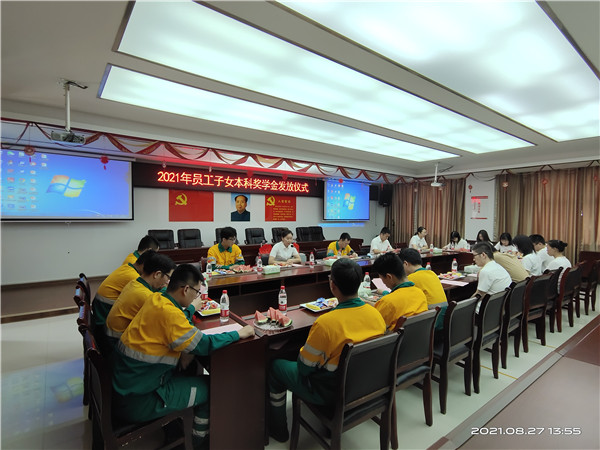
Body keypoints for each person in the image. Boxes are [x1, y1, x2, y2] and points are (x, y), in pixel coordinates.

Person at [111, 264, 255, 449]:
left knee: (190, 368)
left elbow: (176, 322)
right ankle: (199, 442)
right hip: (140, 400)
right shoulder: (170, 315)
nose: (197, 297)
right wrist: (238, 334)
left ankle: (179, 426)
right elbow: (204, 344)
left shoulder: (157, 298)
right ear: (186, 289)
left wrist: (190, 311)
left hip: (129, 385)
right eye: (196, 292)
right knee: (211, 387)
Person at [267, 259, 386, 443]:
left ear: (332, 285)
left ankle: (279, 430)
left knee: (275, 366)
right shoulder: (375, 313)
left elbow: (304, 368)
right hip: (367, 384)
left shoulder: (326, 323)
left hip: (330, 391)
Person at [105, 253, 177, 349]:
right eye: (168, 277)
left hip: (111, 336)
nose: (168, 281)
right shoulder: (145, 296)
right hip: (118, 343)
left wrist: (164, 289)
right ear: (157, 274)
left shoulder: (134, 282)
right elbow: (167, 315)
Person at [92, 250, 154, 331]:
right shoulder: (133, 277)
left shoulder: (128, 266)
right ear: (144, 265)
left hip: (101, 306)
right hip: (104, 309)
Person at [371, 253, 427, 330]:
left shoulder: (387, 302)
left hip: (396, 341)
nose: (383, 282)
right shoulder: (420, 293)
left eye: (382, 279)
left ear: (389, 277)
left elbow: (375, 326)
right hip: (419, 340)